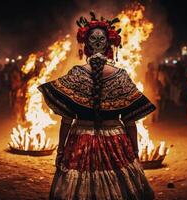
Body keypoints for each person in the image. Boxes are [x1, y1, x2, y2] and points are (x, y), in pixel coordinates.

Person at [39, 13, 155, 200]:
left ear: (86, 46)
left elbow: (66, 120)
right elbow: (130, 121)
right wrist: (134, 151)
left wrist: (61, 151)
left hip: (80, 142)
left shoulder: (76, 74)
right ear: (110, 46)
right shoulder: (121, 75)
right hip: (116, 143)